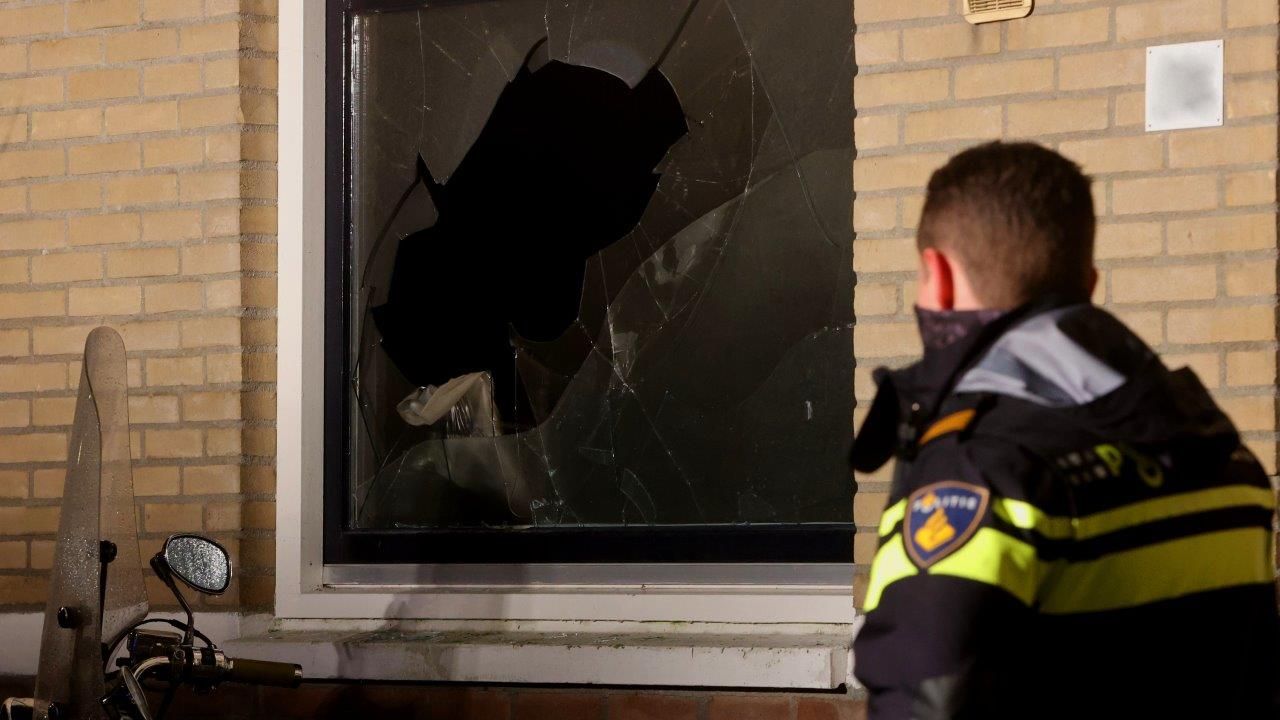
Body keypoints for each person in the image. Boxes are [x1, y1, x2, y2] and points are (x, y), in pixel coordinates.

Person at [850, 142, 1280, 719]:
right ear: (1090, 281)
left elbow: (923, 702)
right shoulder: (1218, 453)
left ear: (940, 276)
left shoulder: (983, 465)